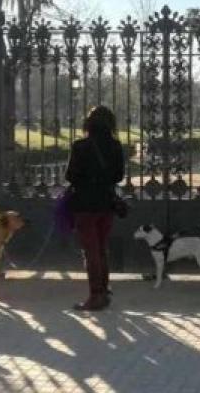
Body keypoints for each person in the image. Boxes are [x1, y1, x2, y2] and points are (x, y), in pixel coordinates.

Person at [66, 106, 125, 311]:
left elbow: (70, 176)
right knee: (101, 248)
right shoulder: (115, 145)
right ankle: (104, 290)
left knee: (90, 250)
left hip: (85, 204)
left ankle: (96, 295)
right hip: (106, 203)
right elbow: (119, 176)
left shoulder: (80, 146)